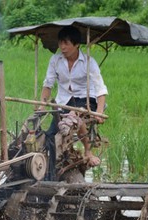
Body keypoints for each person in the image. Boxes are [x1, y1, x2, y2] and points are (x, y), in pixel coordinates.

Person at [38, 25, 108, 168]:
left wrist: (99, 113)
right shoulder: (55, 60)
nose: (62, 47)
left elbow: (100, 88)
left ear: (76, 45)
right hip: (63, 101)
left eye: (66, 43)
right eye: (60, 43)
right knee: (51, 134)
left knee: (75, 115)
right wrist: (42, 104)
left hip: (86, 100)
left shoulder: (89, 62)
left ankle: (88, 151)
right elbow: (48, 83)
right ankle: (50, 166)